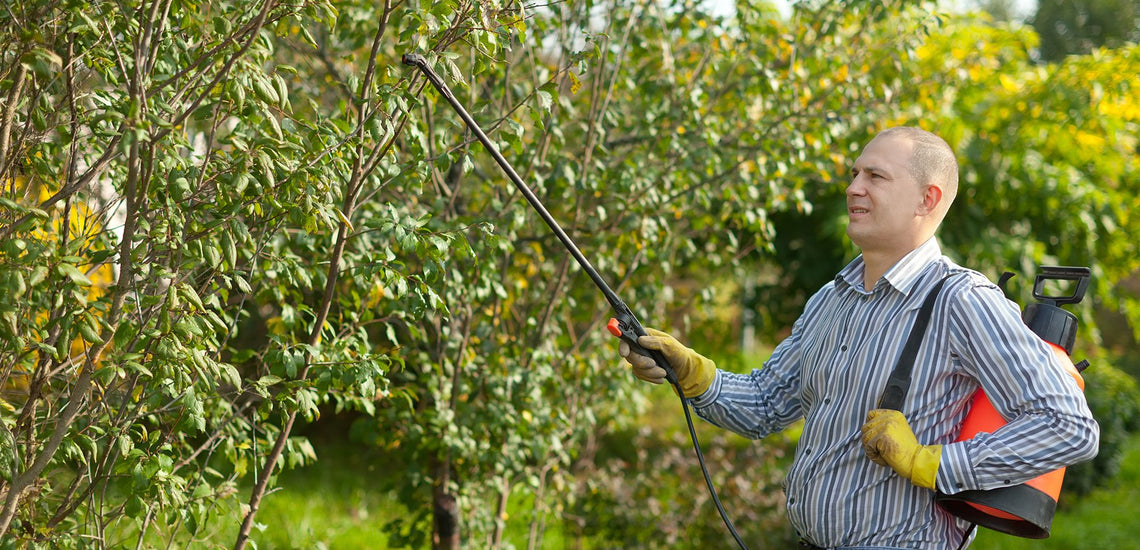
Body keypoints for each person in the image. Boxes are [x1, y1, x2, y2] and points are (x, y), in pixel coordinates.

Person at [620, 126, 1100, 549]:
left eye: (875, 177)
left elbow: (1069, 427)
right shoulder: (832, 299)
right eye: (854, 174)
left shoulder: (964, 300)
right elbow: (766, 405)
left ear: (927, 199)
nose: (854, 188)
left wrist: (933, 463)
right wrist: (692, 374)